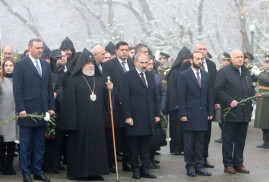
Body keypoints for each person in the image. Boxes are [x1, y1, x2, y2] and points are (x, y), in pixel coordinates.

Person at [61, 49, 111, 181]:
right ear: (82, 64)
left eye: (92, 63)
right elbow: (69, 105)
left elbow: (106, 102)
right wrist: (72, 123)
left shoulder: (100, 80)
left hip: (97, 121)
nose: (90, 66)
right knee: (80, 147)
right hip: (80, 122)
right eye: (88, 63)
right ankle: (80, 173)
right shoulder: (74, 81)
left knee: (97, 146)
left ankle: (96, 171)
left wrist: (109, 89)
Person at [13, 38, 55, 182]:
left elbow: (49, 88)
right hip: (27, 112)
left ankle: (38, 171)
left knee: (39, 145)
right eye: (37, 48)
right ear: (29, 48)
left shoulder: (45, 65)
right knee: (25, 146)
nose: (40, 50)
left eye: (41, 47)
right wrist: (21, 108)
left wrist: (51, 107)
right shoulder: (20, 65)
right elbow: (17, 89)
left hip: (42, 111)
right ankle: (26, 173)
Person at [215, 49, 258, 174]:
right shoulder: (224, 72)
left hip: (245, 112)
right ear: (231, 59)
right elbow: (217, 89)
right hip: (231, 112)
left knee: (241, 140)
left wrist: (255, 94)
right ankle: (228, 164)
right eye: (237, 57)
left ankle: (238, 163)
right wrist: (229, 101)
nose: (240, 59)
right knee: (228, 139)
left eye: (242, 57)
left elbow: (249, 88)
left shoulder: (245, 71)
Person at [121, 53, 160, 179]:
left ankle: (145, 169)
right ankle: (135, 170)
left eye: (146, 63)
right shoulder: (127, 76)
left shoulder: (150, 75)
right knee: (134, 146)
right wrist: (128, 116)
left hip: (148, 116)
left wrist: (157, 113)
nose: (144, 65)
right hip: (134, 117)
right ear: (135, 62)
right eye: (142, 63)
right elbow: (125, 97)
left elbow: (154, 96)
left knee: (146, 146)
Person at [178, 51, 213, 177]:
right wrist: (182, 113)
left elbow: (209, 94)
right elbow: (180, 96)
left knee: (200, 142)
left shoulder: (206, 75)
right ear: (191, 60)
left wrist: (210, 111)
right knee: (189, 142)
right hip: (189, 113)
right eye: (197, 59)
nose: (200, 61)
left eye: (201, 59)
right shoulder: (184, 75)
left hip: (202, 113)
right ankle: (190, 166)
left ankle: (199, 165)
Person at [102, 41, 135, 173]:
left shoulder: (132, 64)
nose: (125, 52)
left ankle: (128, 163)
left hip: (131, 106)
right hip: (115, 105)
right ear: (116, 51)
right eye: (122, 50)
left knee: (128, 136)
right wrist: (122, 98)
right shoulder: (108, 65)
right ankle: (111, 162)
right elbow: (108, 83)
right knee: (113, 136)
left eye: (126, 49)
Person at [195, 42, 218, 168]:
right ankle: (194, 160)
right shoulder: (189, 65)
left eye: (204, 49)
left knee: (207, 133)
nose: (202, 51)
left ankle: (204, 158)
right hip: (193, 107)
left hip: (208, 106)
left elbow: (215, 85)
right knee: (195, 134)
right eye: (200, 49)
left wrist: (216, 101)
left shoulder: (211, 65)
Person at [166, 46, 191, 155]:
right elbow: (172, 89)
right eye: (184, 59)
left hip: (189, 105)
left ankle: (186, 148)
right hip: (177, 105)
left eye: (187, 59)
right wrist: (177, 104)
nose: (185, 61)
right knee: (176, 129)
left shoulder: (191, 71)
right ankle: (176, 148)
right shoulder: (174, 71)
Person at [43, 49, 64, 174]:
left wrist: (56, 93)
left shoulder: (56, 75)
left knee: (55, 139)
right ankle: (45, 165)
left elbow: (61, 87)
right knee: (44, 139)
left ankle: (54, 164)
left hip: (55, 110)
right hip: (43, 110)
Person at [146, 56, 166, 169]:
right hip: (145, 111)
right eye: (148, 64)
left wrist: (161, 108)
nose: (149, 66)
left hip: (156, 111)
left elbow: (163, 92)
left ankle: (152, 158)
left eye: (151, 64)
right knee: (146, 137)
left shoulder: (157, 77)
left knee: (155, 137)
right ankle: (145, 159)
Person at [0, 58, 17, 175]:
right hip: (2, 115)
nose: (8, 67)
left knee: (11, 141)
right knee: (2, 142)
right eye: (6, 65)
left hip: (14, 115)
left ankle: (9, 164)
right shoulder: (0, 81)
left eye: (11, 65)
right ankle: (2, 165)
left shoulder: (18, 81)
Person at [254, 52, 269, 148]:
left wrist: (259, 74)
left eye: (268, 62)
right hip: (262, 99)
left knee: (267, 122)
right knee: (263, 123)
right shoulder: (263, 72)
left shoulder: (263, 74)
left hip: (267, 100)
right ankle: (265, 142)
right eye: (266, 62)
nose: (266, 64)